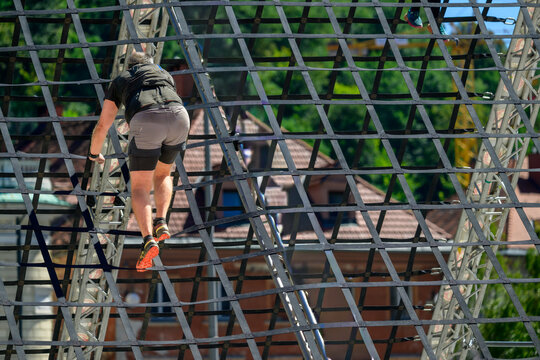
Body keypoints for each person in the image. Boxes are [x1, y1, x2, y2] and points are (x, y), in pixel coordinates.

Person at [88, 51, 190, 272]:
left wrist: (94, 154)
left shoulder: (121, 80)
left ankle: (147, 239)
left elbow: (103, 126)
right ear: (150, 63)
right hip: (180, 116)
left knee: (140, 186)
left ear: (128, 66)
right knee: (164, 174)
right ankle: (161, 221)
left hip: (147, 118)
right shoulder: (163, 74)